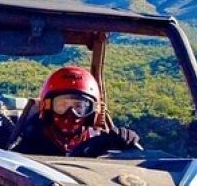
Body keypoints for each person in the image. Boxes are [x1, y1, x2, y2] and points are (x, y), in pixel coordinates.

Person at [8, 66, 140, 156]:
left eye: (79, 106)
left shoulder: (99, 138)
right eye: (62, 105)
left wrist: (123, 144)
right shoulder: (29, 142)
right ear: (47, 107)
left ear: (92, 110)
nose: (70, 113)